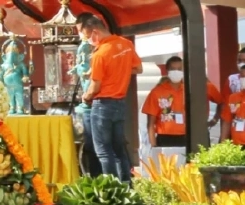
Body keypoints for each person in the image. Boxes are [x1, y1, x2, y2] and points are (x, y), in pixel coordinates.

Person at [78, 13, 141, 181]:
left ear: (95, 32)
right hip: (120, 103)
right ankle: (126, 185)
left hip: (102, 104)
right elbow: (137, 68)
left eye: (86, 36)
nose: (88, 41)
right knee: (119, 148)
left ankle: (111, 187)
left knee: (104, 150)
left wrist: (85, 97)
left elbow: (94, 87)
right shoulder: (126, 44)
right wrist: (119, 71)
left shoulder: (100, 53)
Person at [142, 56, 223, 159]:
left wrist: (215, 119)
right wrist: (154, 147)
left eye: (179, 69)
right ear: (167, 70)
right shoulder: (157, 92)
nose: (176, 72)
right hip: (166, 138)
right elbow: (150, 123)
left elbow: (222, 102)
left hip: (190, 136)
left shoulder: (194, 88)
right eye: (173, 69)